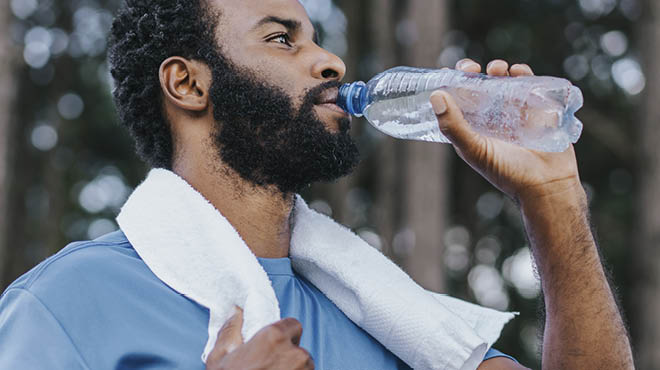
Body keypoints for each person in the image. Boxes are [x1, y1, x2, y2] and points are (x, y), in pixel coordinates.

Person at [0, 0, 634, 369]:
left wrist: (553, 200)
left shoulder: (394, 320)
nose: (330, 62)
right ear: (188, 84)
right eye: (282, 39)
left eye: (318, 39)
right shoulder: (65, 305)